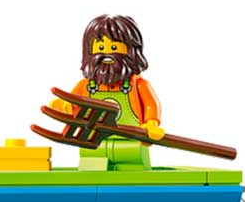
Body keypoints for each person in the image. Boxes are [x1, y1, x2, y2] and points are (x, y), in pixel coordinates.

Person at [51, 14, 163, 168]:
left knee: (133, 172)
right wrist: (65, 106)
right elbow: (73, 103)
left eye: (114, 48)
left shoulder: (138, 85)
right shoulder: (86, 85)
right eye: (101, 48)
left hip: (130, 143)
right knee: (91, 172)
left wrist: (151, 124)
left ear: (131, 51)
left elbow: (151, 105)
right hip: (93, 142)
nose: (107, 54)